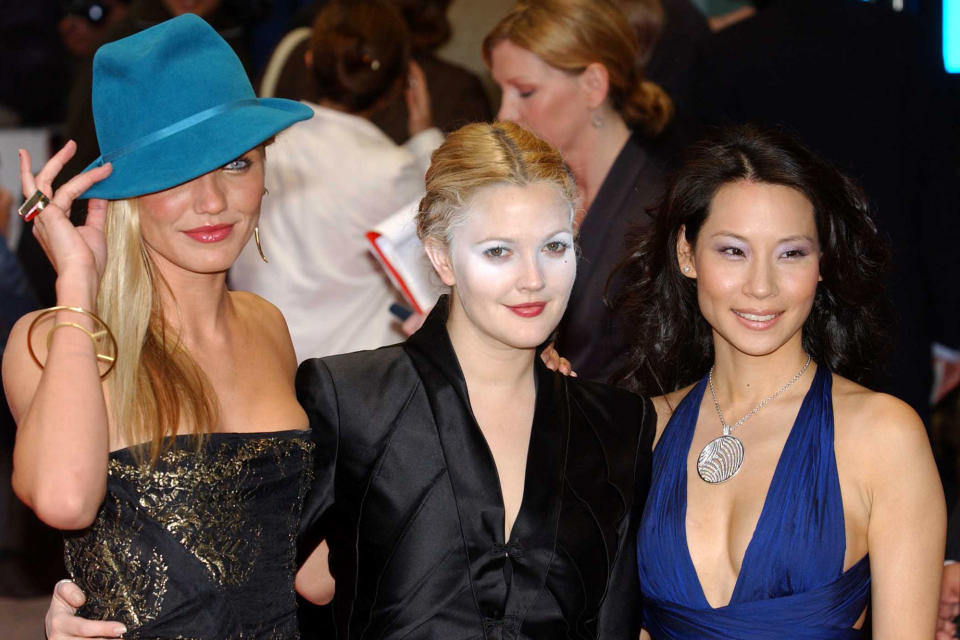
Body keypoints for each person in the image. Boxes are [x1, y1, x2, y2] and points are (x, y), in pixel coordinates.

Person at [3, 14, 316, 639]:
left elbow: (309, 570)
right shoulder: (50, 338)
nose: (212, 202)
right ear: (119, 194)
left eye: (236, 164)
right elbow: (65, 500)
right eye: (175, 173)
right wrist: (76, 285)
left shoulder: (268, 326)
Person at [289, 120, 655, 638]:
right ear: (442, 257)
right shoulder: (352, 399)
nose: (533, 279)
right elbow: (285, 583)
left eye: (554, 247)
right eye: (498, 251)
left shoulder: (619, 424)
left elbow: (614, 622)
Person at [618, 126, 946, 638]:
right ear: (687, 254)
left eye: (791, 253)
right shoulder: (643, 429)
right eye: (732, 251)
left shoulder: (883, 435)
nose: (762, 286)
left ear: (822, 264)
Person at [230, 0, 443, 362]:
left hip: (254, 357)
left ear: (309, 61)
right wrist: (425, 137)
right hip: (347, 379)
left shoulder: (262, 148)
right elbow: (447, 242)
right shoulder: (394, 172)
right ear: (398, 85)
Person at [483, 0, 682, 384]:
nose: (504, 114)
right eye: (501, 91)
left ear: (593, 85)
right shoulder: (537, 193)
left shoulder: (660, 210)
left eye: (524, 91)